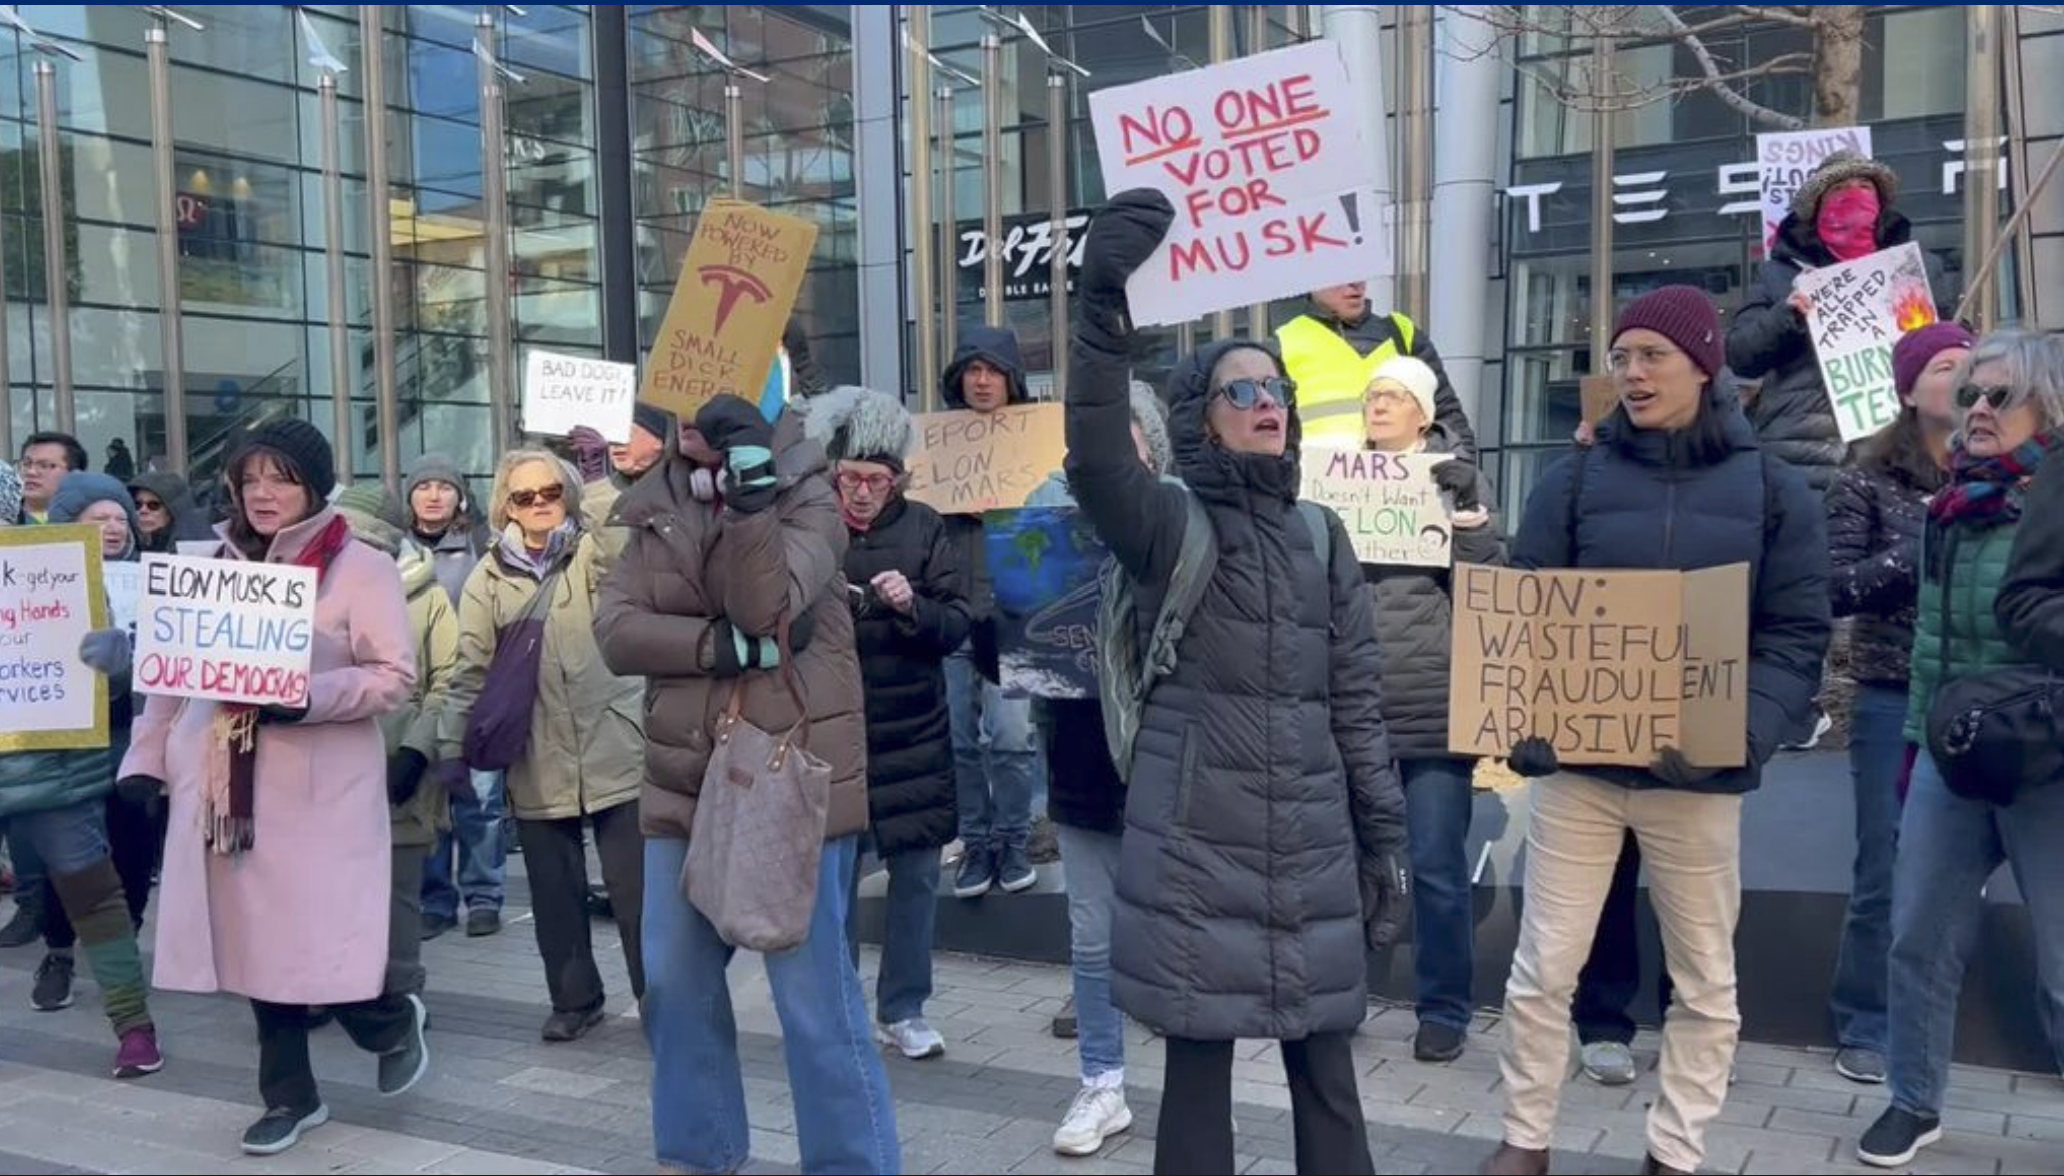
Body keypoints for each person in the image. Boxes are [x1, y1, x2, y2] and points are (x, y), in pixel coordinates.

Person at [1067, 189, 1410, 1175]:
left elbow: (1355, 699)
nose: (1268, 405)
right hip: (1195, 849)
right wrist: (1100, 311)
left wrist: (1382, 839)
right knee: (1198, 1078)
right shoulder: (1168, 524)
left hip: (1310, 842)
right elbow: (1095, 459)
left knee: (1327, 1076)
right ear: (1201, 421)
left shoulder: (1321, 533)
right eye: (1242, 392)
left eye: (1277, 392)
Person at [1485, 286, 1831, 1176]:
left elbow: (1796, 635)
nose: (1631, 374)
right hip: (1582, 774)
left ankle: (1674, 1154)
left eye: (1652, 357)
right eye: (1622, 355)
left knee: (1707, 985)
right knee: (1541, 971)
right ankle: (1524, 1143)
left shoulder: (1774, 490)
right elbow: (1527, 611)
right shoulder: (1574, 480)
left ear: (1704, 364)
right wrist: (1523, 721)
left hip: (1700, 781)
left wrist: (1743, 733)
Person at [595, 393, 899, 1175]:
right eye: (682, 407)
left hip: (784, 778)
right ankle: (698, 1153)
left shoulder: (811, 497)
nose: (692, 421)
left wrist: (750, 491)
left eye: (719, 408)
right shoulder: (654, 498)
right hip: (679, 780)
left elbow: (765, 609)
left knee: (811, 1003)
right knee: (671, 981)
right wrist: (711, 649)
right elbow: (617, 631)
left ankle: (854, 1163)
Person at [117, 418, 428, 1155]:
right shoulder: (207, 561)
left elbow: (396, 678)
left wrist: (308, 695)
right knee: (258, 947)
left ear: (313, 487)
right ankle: (290, 1096)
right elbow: (169, 679)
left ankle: (386, 1018)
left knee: (317, 944)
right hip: (229, 788)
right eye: (248, 478)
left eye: (280, 478)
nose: (262, 493)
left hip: (320, 792)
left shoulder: (361, 566)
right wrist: (146, 761)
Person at [1856, 330, 2064, 1168]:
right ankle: (1914, 1101)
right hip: (1952, 753)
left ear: (2046, 407)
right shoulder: (1952, 503)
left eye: (2000, 396)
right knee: (1918, 938)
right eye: (1970, 393)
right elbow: (1931, 644)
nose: (1977, 409)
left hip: (2049, 763)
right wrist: (1915, 745)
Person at [441, 448, 646, 1042]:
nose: (539, 506)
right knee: (556, 898)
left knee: (636, 897)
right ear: (506, 504)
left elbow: (621, 544)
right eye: (525, 497)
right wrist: (450, 746)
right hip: (536, 753)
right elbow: (468, 671)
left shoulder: (591, 549)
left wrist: (600, 480)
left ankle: (658, 998)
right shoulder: (487, 577)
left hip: (615, 741)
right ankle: (574, 1000)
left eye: (551, 493)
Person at [803, 385, 972, 1063]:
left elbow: (958, 621)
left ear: (898, 480)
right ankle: (842, 1007)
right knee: (836, 883)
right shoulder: (814, 528)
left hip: (915, 736)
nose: (863, 492)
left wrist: (913, 607)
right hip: (837, 732)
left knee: (917, 879)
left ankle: (904, 1008)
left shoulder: (927, 528)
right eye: (851, 479)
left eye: (877, 480)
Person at [1027, 379, 1172, 1157]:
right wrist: (1001, 619)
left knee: (1178, 931)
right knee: (1091, 937)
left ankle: (1194, 1079)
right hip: (1081, 763)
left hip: (1171, 765)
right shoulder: (1043, 534)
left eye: (1129, 442)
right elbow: (1013, 657)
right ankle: (1102, 1082)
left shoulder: (1183, 527)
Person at [1822, 322, 1968, 1086]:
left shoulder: (2021, 474)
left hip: (1994, 694)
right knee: (1886, 863)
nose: (1968, 375)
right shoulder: (1864, 481)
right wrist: (1930, 539)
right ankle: (1865, 1020)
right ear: (1909, 391)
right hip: (1894, 693)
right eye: (1947, 365)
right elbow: (1837, 586)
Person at [1356, 355, 1507, 1064]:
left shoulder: (1455, 483)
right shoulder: (1339, 486)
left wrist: (1472, 520)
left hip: (1433, 705)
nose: (1379, 406)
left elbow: (1491, 586)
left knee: (1438, 864)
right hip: (1354, 705)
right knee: (1348, 861)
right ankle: (1341, 991)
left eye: (1393, 396)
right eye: (1372, 396)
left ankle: (1443, 1007)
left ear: (1423, 413)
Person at [2, 472, 161, 1082]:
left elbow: (100, 685)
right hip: (50, 766)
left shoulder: (45, 572)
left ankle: (135, 1027)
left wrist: (116, 667)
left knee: (95, 896)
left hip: (50, 766)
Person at [1727, 151, 1934, 496]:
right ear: (1817, 207)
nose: (1854, 195)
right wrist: (1787, 315)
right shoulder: (1779, 275)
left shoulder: (1916, 271)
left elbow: (1943, 357)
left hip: (1896, 447)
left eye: (1865, 186)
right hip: (1800, 455)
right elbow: (1740, 353)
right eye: (1840, 189)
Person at [333, 483, 461, 1004]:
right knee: (333, 889)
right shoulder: (315, 588)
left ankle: (402, 989)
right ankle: (334, 984)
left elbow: (451, 680)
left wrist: (415, 750)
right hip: (331, 766)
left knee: (400, 893)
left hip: (400, 766)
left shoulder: (427, 597)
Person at [937, 325, 1047, 898]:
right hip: (954, 607)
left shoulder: (1035, 444)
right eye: (972, 370)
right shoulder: (937, 445)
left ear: (1011, 380)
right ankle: (975, 843)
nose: (982, 381)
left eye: (993, 370)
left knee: (1008, 737)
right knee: (958, 738)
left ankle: (1012, 838)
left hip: (1014, 610)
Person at [403, 453, 503, 940]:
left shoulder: (482, 544)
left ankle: (484, 895)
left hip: (477, 690)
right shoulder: (395, 551)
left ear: (460, 495)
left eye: (444, 486)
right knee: (429, 800)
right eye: (424, 487)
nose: (434, 495)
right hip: (422, 696)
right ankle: (434, 900)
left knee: (478, 799)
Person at [1276, 281, 1477, 454]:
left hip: (1400, 485)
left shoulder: (1402, 333)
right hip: (1315, 488)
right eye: (1341, 276)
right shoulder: (1282, 343)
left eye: (1360, 271)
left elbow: (1448, 416)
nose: (1355, 284)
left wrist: (1464, 469)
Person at [126, 470, 213, 554]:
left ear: (171, 511)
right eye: (137, 504)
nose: (143, 510)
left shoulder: (195, 551)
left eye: (153, 505)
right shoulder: (124, 547)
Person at [18, 431, 88, 523]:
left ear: (73, 475)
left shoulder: (91, 519)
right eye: (27, 464)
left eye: (44, 465)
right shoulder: (5, 519)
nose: (31, 472)